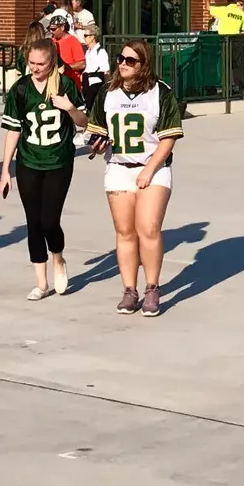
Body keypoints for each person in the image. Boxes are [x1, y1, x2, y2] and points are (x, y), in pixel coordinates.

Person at [86, 38, 182, 317]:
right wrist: (97, 141)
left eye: (131, 60)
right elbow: (97, 130)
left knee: (149, 228)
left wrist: (149, 170)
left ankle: (152, 287)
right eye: (121, 59)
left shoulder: (160, 93)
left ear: (144, 64)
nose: (124, 64)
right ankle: (130, 290)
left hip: (152, 166)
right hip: (118, 166)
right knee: (125, 232)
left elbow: (169, 137)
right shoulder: (108, 92)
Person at [0, 38, 84, 300]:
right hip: (28, 161)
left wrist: (69, 107)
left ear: (52, 62)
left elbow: (84, 122)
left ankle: (58, 258)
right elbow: (13, 130)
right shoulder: (21, 88)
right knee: (33, 222)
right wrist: (5, 170)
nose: (35, 68)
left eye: (41, 64)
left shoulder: (66, 85)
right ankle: (40, 281)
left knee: (49, 221)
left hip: (58, 160)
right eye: (31, 63)